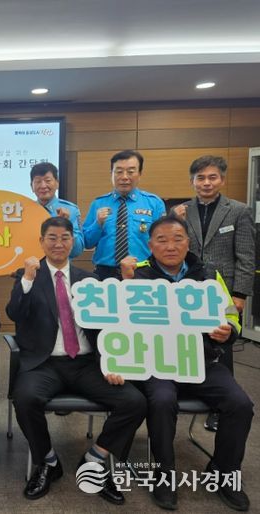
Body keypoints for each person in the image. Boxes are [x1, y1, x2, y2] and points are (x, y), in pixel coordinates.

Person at [6, 217, 145, 505]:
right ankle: (48, 461)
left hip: (86, 363)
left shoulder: (89, 280)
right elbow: (14, 313)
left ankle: (94, 460)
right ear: (41, 241)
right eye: (52, 238)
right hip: (45, 363)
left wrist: (112, 361)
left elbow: (111, 323)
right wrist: (27, 280)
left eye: (65, 238)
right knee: (25, 398)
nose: (58, 243)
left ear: (73, 242)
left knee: (134, 401)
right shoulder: (27, 275)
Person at [120, 215, 254, 512]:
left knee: (240, 404)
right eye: (162, 240)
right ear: (150, 245)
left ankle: (223, 472)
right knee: (162, 400)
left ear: (188, 242)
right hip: (156, 363)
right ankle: (164, 475)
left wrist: (228, 331)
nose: (171, 246)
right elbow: (122, 324)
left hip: (201, 360)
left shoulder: (208, 274)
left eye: (177, 239)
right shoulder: (137, 275)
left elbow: (230, 315)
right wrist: (125, 284)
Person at [172, 155, 255, 431]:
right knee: (191, 339)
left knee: (222, 342)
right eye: (200, 178)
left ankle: (220, 409)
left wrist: (240, 294)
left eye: (212, 177)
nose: (206, 183)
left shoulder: (239, 211)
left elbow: (246, 256)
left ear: (222, 179)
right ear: (192, 181)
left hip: (224, 289)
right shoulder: (181, 210)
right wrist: (174, 219)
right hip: (189, 288)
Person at [83, 150, 165, 279]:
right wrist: (98, 224)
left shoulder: (154, 203)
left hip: (143, 271)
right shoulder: (98, 203)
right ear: (111, 174)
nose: (124, 177)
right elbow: (87, 242)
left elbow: (163, 242)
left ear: (140, 174)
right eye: (119, 171)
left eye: (130, 172)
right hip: (105, 273)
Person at [30, 162, 84, 258]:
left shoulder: (71, 210)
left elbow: (77, 251)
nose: (43, 186)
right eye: (38, 181)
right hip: (33, 264)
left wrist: (67, 224)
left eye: (47, 180)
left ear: (57, 183)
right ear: (32, 186)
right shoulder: (26, 211)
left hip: (59, 265)